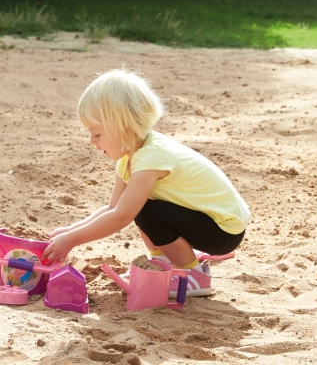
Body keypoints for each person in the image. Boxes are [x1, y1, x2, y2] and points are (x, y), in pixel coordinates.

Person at [42, 68, 250, 296]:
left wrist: (71, 240)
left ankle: (194, 277)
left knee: (147, 212)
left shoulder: (152, 156)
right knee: (145, 209)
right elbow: (112, 207)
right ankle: (163, 264)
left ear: (124, 126)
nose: (91, 141)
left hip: (223, 231)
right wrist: (70, 230)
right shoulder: (129, 158)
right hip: (205, 219)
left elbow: (121, 216)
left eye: (97, 134)